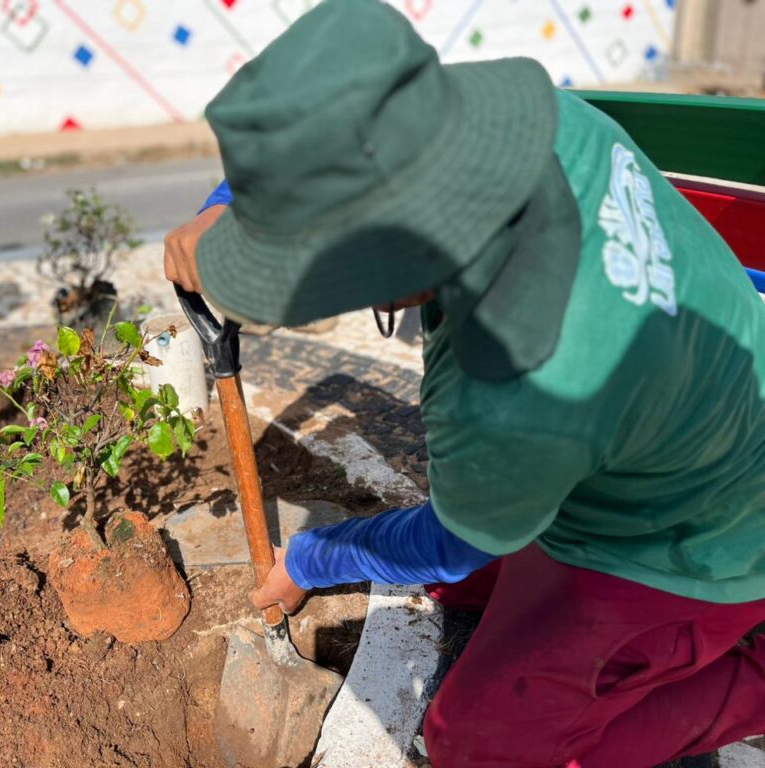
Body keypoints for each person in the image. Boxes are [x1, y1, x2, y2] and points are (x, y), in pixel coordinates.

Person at [163, 1, 765, 766]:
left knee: (479, 742)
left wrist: (314, 557)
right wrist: (227, 209)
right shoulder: (536, 122)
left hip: (716, 537)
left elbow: (452, 542)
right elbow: (343, 125)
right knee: (474, 583)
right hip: (698, 405)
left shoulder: (518, 377)